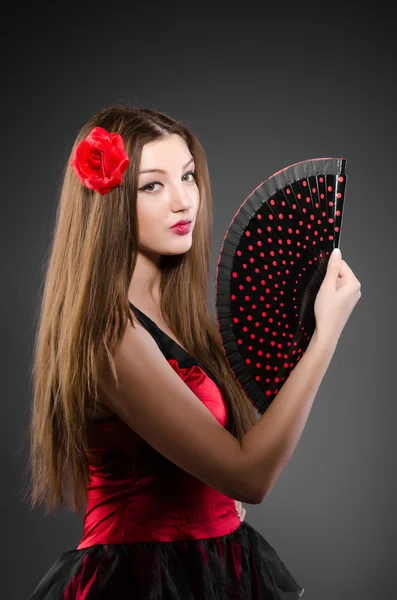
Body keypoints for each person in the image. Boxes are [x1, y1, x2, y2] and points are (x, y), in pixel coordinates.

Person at [26, 104, 361, 599]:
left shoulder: (175, 318)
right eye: (153, 185)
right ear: (108, 200)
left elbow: (220, 472)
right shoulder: (110, 337)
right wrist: (328, 333)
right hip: (143, 581)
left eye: (187, 176)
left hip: (213, 561)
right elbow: (251, 477)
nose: (184, 201)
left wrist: (213, 499)